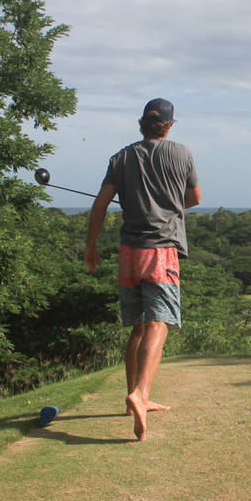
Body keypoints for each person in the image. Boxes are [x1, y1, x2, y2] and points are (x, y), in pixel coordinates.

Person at [85, 98, 201, 440]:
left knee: (137, 328)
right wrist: (168, 204)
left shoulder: (120, 158)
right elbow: (194, 198)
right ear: (169, 124)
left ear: (141, 123)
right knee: (158, 324)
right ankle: (140, 394)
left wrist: (91, 247)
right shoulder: (182, 154)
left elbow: (100, 205)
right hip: (161, 251)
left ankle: (133, 399)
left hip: (128, 253)